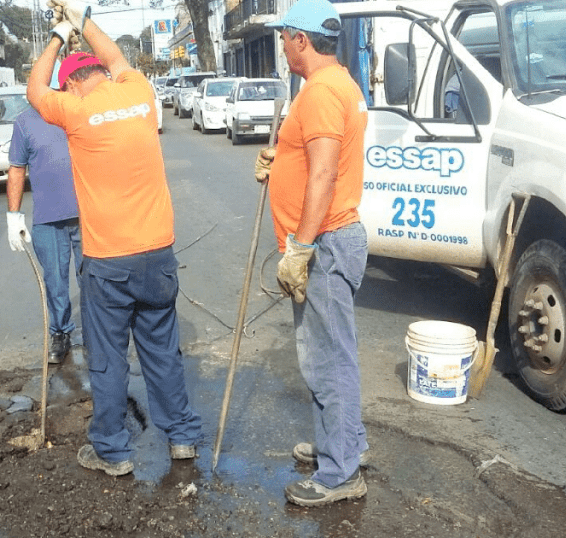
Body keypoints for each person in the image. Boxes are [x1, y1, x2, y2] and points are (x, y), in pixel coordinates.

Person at [26, 2, 202, 476]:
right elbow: (119, 58)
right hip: (157, 255)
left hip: (109, 263)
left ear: (73, 83)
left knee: (106, 360)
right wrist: (83, 19)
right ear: (103, 74)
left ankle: (113, 451)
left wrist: (60, 33)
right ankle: (182, 437)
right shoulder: (140, 91)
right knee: (162, 352)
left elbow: (34, 88)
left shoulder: (76, 111)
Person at [254, 0, 370, 507]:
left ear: (301, 40)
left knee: (326, 360)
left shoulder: (321, 91)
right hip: (332, 237)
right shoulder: (338, 83)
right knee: (332, 354)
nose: (281, 45)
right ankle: (342, 445)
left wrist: (299, 248)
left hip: (323, 242)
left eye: (284, 37)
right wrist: (282, 158)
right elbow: (319, 156)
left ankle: (339, 473)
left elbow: (323, 174)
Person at [6, 76, 83, 365]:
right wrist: (13, 215)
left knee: (93, 278)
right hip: (48, 219)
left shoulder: (77, 112)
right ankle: (60, 332)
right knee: (55, 281)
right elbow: (16, 169)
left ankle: (99, 333)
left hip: (87, 213)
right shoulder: (25, 123)